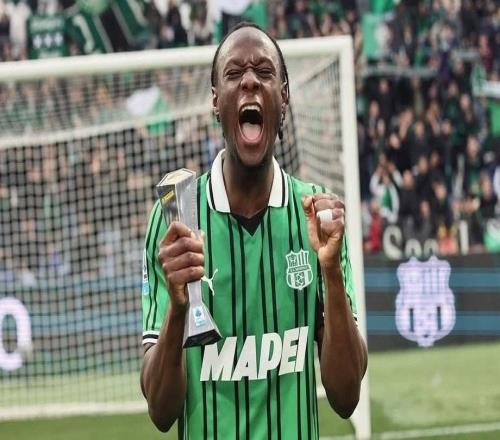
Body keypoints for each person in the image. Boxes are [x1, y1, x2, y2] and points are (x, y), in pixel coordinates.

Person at [140, 22, 367, 439]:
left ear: (284, 97)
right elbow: (160, 411)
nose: (249, 81)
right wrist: (177, 309)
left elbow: (346, 396)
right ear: (215, 101)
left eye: (264, 72)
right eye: (233, 73)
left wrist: (332, 273)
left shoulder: (316, 217)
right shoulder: (176, 217)